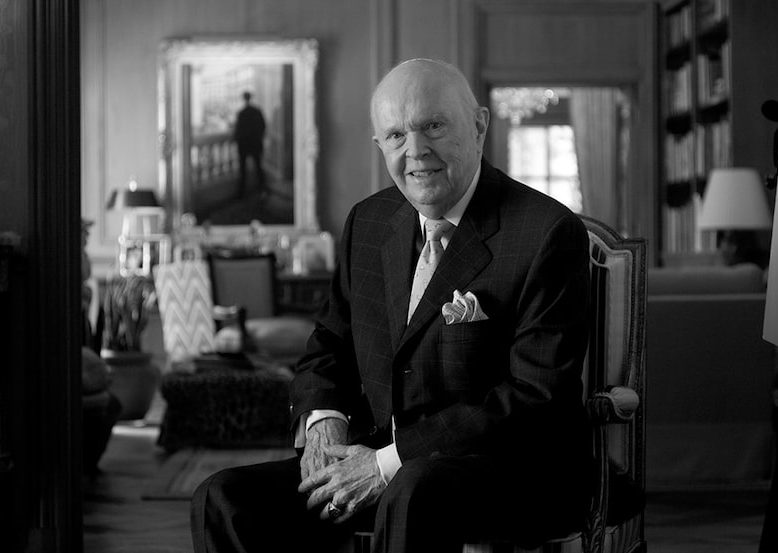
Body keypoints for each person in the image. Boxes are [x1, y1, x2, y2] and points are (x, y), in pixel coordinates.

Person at [191, 58, 593, 553]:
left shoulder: (547, 233)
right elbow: (328, 345)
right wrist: (323, 420)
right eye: (396, 135)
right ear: (380, 144)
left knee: (413, 490)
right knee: (224, 496)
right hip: (379, 458)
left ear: (479, 126)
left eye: (433, 127)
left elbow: (535, 398)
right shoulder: (370, 222)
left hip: (510, 472)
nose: (416, 151)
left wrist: (388, 463)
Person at [233, 91, 267, 197]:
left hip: (244, 145)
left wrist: (237, 140)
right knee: (258, 167)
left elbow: (238, 130)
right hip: (255, 143)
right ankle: (261, 189)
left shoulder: (241, 113)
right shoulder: (257, 111)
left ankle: (242, 192)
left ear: (244, 99)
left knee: (243, 170)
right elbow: (263, 126)